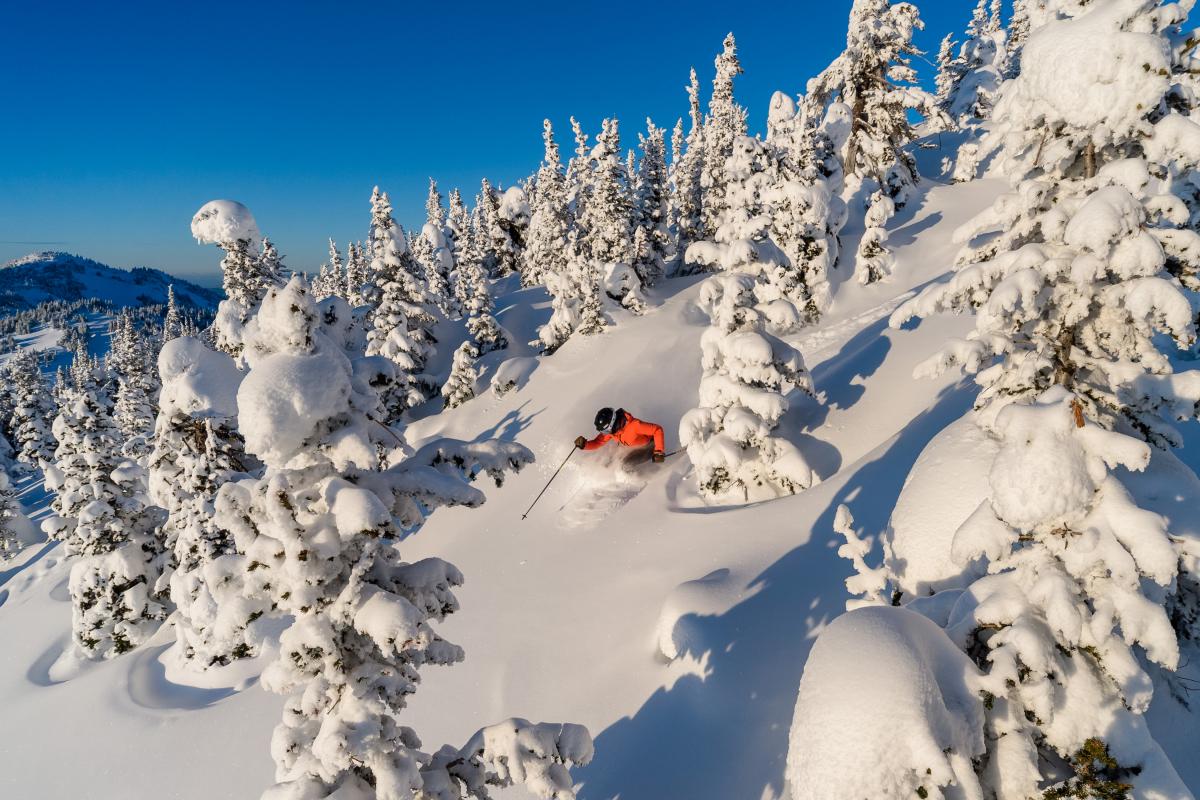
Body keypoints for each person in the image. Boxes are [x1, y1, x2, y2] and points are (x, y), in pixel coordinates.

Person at [575, 407, 666, 462]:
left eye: (606, 430)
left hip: (649, 448)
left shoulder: (635, 426)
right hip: (629, 448)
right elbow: (598, 442)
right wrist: (585, 445)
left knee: (624, 465)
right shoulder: (612, 432)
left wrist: (658, 451)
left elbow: (657, 430)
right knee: (609, 462)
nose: (605, 434)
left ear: (612, 424)